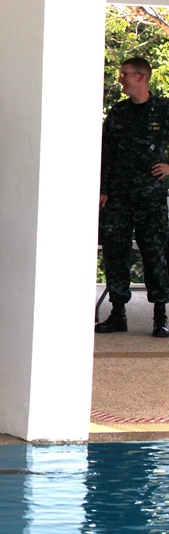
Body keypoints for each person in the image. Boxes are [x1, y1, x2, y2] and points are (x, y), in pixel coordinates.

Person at [97, 57, 169, 337]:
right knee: (116, 252)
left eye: (125, 74)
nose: (121, 79)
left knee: (156, 253)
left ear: (142, 77)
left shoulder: (163, 110)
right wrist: (102, 190)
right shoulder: (117, 113)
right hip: (118, 196)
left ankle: (160, 315)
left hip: (150, 196)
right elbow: (105, 155)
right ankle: (118, 313)